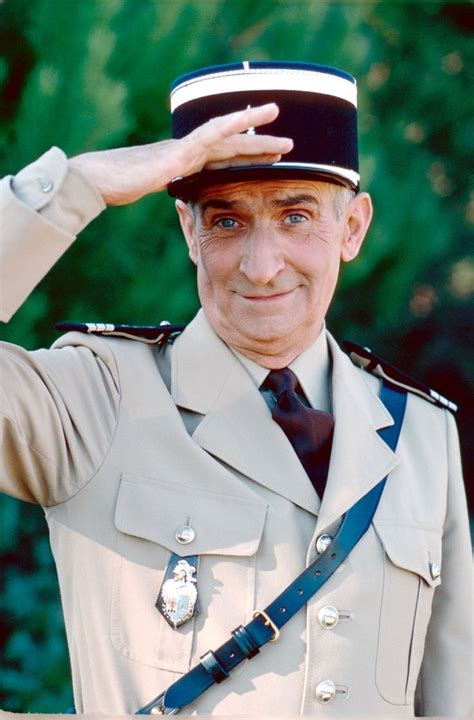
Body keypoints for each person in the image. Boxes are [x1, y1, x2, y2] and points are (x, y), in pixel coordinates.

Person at [0, 61, 472, 717]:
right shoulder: (95, 395)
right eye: (226, 221)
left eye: (296, 215)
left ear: (355, 228)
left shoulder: (421, 431)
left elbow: (452, 695)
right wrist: (78, 185)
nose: (261, 265)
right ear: (189, 231)